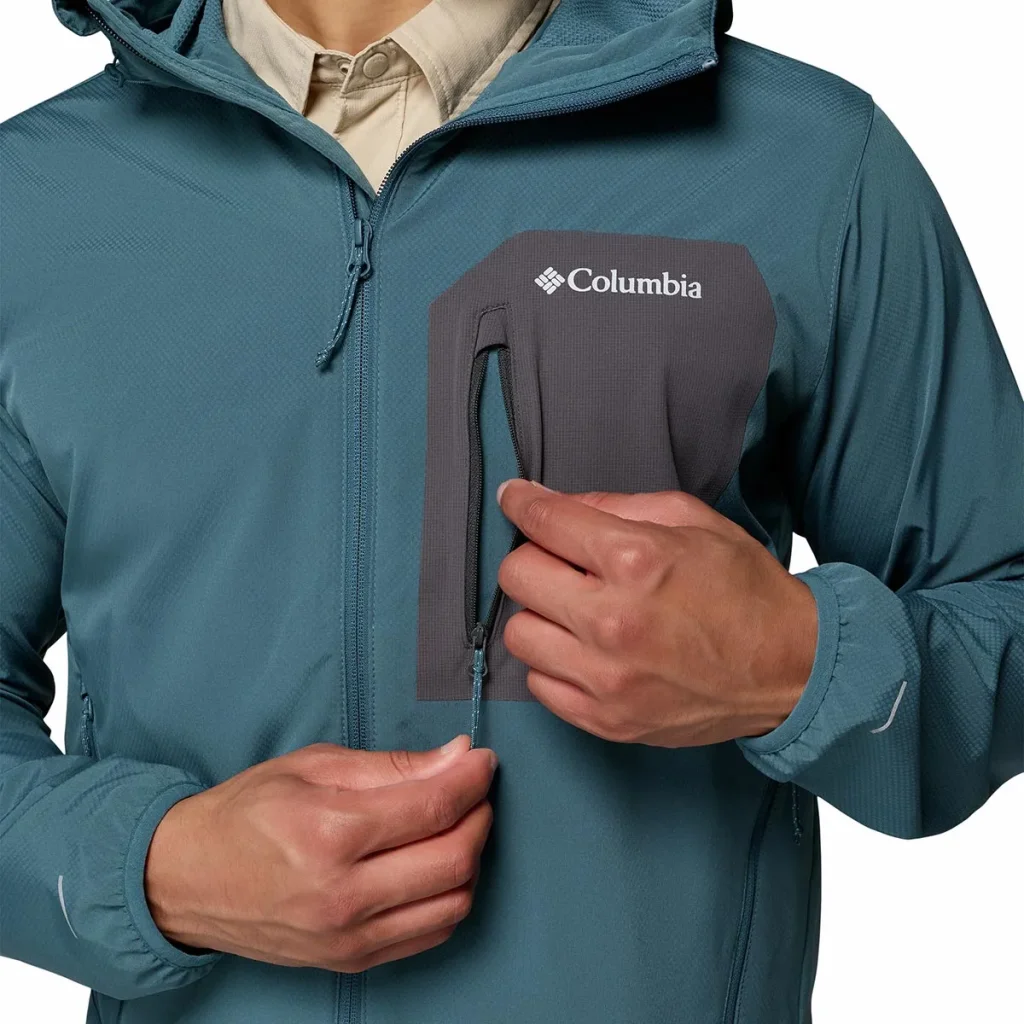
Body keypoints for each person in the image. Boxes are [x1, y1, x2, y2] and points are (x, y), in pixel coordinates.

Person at [1, 0, 1020, 1021]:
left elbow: (1001, 601)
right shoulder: (32, 203)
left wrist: (798, 664)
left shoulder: (806, 163)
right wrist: (149, 868)